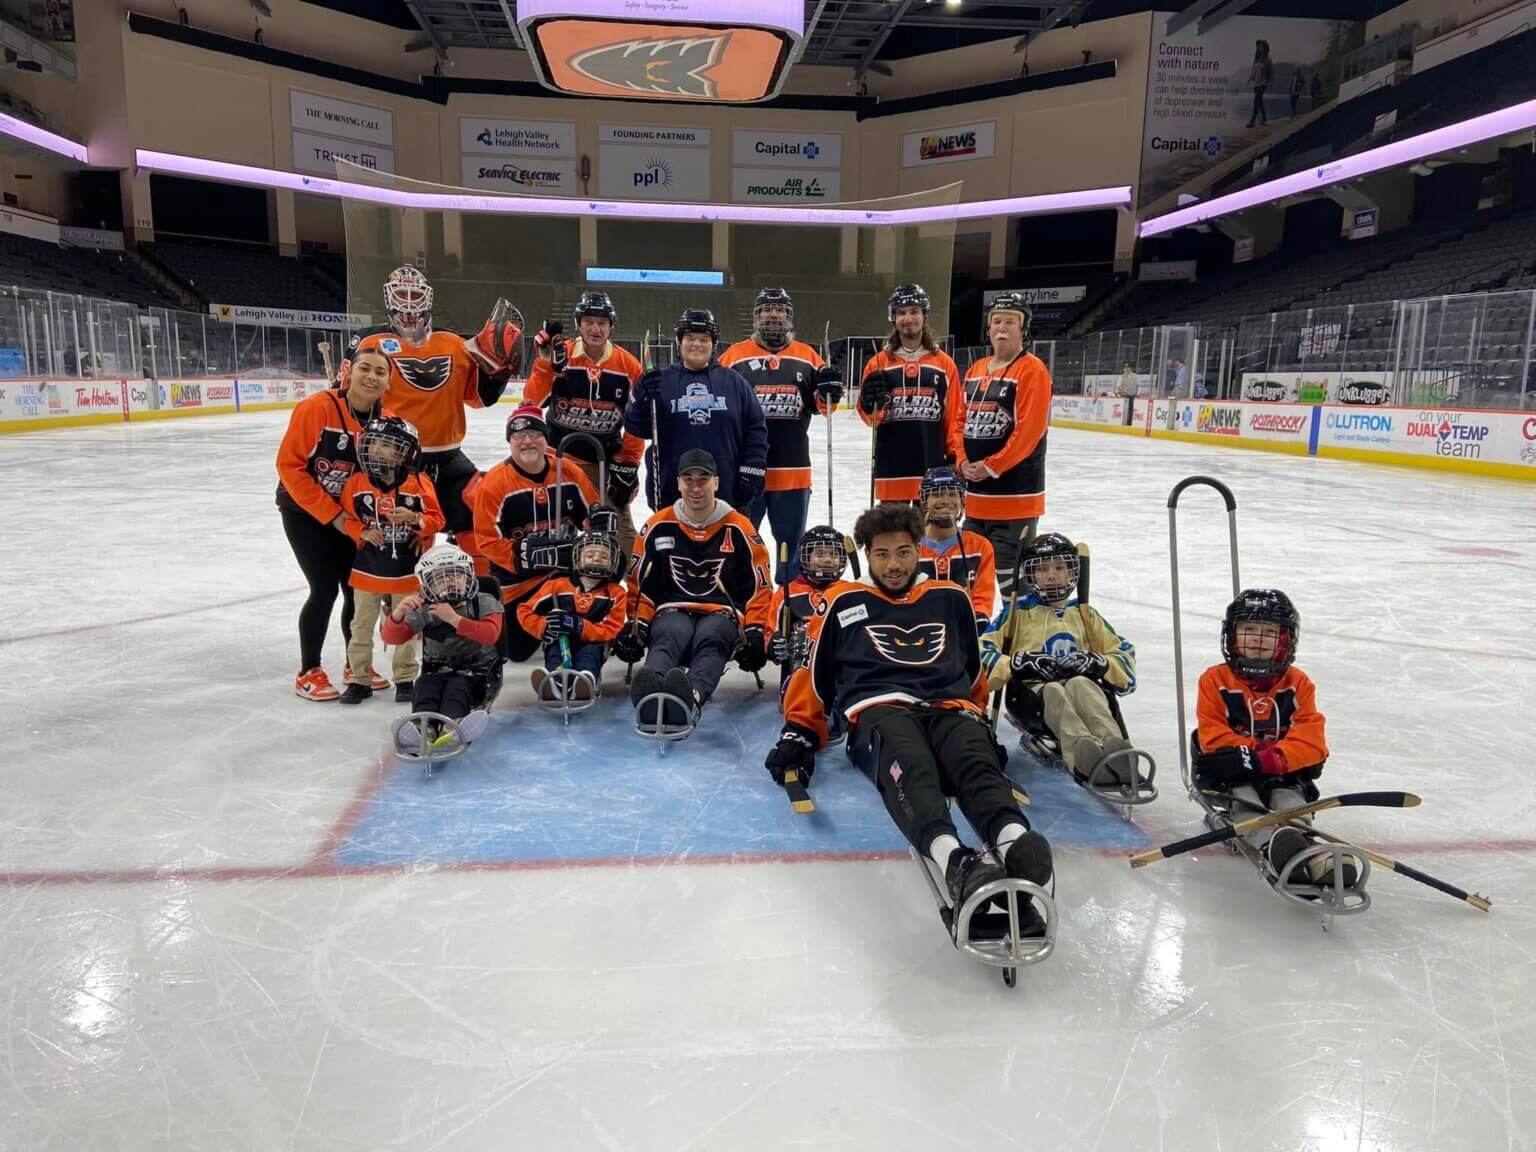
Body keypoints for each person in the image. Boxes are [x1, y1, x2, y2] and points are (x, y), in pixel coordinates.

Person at [768, 503, 1054, 926]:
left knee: (975, 763)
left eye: (903, 552)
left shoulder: (950, 598)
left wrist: (980, 722)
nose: (894, 564)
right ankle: (955, 861)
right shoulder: (841, 602)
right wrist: (800, 730)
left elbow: (972, 671)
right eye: (882, 554)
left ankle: (1015, 842)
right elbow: (813, 675)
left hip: (950, 707)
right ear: (866, 555)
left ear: (918, 548)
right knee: (912, 765)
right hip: (878, 712)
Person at [339, 266, 519, 546]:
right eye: (401, 293)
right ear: (388, 297)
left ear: (429, 297)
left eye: (416, 294)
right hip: (393, 461)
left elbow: (479, 398)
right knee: (404, 538)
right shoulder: (368, 342)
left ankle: (477, 575)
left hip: (448, 457)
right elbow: (343, 399)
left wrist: (498, 372)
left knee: (481, 516)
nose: (409, 302)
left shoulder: (454, 343)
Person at [1192, 589, 1351, 887]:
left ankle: (1304, 845)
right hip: (1234, 775)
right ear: (1232, 636)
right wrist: (1254, 755)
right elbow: (1212, 735)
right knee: (1246, 803)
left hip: (1282, 773)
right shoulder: (1214, 680)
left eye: (1270, 632)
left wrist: (1273, 759)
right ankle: (1272, 846)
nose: (1258, 639)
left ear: (1286, 640)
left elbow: (1312, 740)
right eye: (1249, 630)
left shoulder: (1298, 683)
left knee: (1288, 799)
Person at [612, 449, 772, 729]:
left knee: (711, 638)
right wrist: (638, 625)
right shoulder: (658, 525)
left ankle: (691, 697)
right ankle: (652, 695)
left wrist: (756, 631)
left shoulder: (740, 527)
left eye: (703, 480)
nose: (695, 487)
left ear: (716, 483)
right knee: (669, 635)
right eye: (688, 480)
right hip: (672, 610)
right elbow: (641, 583)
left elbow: (759, 586)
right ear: (678, 483)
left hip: (722, 614)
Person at [276, 345, 390, 700]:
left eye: (380, 372)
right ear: (348, 372)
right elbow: (289, 466)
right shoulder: (316, 409)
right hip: (305, 513)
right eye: (365, 368)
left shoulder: (387, 419)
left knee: (357, 590)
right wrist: (333, 515)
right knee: (324, 588)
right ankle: (309, 670)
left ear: (388, 382)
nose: (371, 376)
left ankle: (356, 664)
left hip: (352, 518)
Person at [980, 532, 1139, 785]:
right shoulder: (1017, 614)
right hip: (1031, 696)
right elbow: (981, 653)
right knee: (1054, 690)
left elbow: (1124, 654)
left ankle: (1114, 748)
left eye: (1059, 568)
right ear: (1031, 575)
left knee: (1082, 684)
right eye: (1042, 569)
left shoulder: (1085, 614)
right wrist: (1014, 663)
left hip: (1079, 685)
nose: (1051, 575)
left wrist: (1101, 663)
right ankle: (1082, 753)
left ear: (1072, 572)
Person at [718, 287, 843, 583]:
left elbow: (824, 407)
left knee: (792, 548)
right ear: (756, 316)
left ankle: (790, 603)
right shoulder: (733, 357)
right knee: (741, 543)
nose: (772, 315)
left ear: (788, 316)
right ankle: (746, 598)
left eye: (779, 310)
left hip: (793, 472)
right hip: (746, 472)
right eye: (766, 309)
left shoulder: (808, 356)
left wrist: (831, 390)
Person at [523, 291, 646, 561]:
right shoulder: (562, 354)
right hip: (555, 458)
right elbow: (532, 402)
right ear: (578, 324)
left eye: (602, 323)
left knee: (620, 530)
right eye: (589, 322)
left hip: (601, 462)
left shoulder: (628, 366)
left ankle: (629, 584)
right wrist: (545, 364)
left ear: (611, 326)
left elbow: (636, 422)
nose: (595, 329)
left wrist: (628, 463)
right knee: (550, 527)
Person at [472, 405, 600, 663]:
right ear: (509, 441)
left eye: (534, 434)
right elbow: (486, 541)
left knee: (590, 623)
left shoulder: (568, 472)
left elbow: (592, 519)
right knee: (515, 651)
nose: (527, 441)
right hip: (518, 583)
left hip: (564, 574)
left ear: (546, 439)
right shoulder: (493, 485)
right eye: (519, 436)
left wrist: (599, 523)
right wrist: (523, 559)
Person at [336, 416, 445, 704]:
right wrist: (361, 531)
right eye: (373, 443)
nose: (376, 450)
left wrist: (416, 520)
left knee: (406, 625)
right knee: (360, 626)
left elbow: (437, 519)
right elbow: (347, 519)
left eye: (386, 445)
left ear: (403, 453)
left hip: (406, 572)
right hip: (367, 570)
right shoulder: (356, 484)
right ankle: (359, 679)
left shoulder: (418, 483)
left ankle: (405, 678)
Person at [625, 308, 769, 514]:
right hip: (672, 493)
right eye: (690, 338)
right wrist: (640, 398)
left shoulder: (734, 381)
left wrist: (752, 468)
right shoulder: (661, 381)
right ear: (679, 342)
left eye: (704, 339)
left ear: (714, 344)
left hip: (728, 492)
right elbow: (636, 428)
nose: (697, 344)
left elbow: (755, 428)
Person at [957, 292, 1051, 599]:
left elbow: (1029, 433)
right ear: (988, 329)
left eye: (1010, 322)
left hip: (1015, 500)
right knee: (969, 580)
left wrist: (991, 466)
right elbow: (959, 421)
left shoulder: (1032, 370)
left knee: (1013, 584)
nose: (1002, 328)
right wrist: (961, 461)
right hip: (975, 500)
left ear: (1023, 329)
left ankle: (1020, 628)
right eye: (996, 321)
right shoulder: (976, 369)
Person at [382, 545, 503, 750]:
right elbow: (393, 637)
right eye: (440, 579)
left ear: (469, 577)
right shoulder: (425, 607)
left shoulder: (484, 601)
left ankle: (451, 726)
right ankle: (424, 728)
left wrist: (454, 619)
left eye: (457, 575)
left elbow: (490, 635)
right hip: (436, 669)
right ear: (428, 585)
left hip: (477, 672)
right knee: (423, 685)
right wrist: (398, 614)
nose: (450, 581)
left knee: (457, 687)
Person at [857, 284, 963, 503]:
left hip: (933, 473)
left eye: (914, 311)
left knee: (931, 527)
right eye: (901, 313)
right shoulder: (877, 363)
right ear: (893, 318)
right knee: (894, 527)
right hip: (891, 472)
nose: (908, 318)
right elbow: (871, 419)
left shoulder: (944, 364)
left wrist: (955, 457)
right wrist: (868, 405)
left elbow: (954, 418)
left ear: (924, 315)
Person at [516, 527, 628, 703]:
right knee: (555, 654)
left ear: (613, 563)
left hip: (593, 643)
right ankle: (554, 684)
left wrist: (578, 625)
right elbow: (524, 610)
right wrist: (544, 627)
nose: (596, 558)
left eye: (604, 556)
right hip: (559, 640)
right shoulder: (556, 585)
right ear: (577, 559)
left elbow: (613, 629)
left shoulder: (616, 593)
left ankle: (584, 682)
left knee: (589, 655)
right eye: (589, 555)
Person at [914, 466, 996, 632]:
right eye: (937, 495)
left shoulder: (980, 547)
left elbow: (982, 600)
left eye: (952, 494)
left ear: (962, 500)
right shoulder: (909, 547)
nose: (946, 501)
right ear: (924, 501)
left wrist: (976, 620)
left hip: (964, 631)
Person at [1248, 40, 1273, 128]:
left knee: (1256, 101)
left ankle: (1252, 121)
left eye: (1261, 46)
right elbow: (1253, 71)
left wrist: (1270, 85)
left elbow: (1270, 73)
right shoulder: (1256, 59)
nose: (1259, 48)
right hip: (1256, 84)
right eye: (1258, 46)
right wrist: (1249, 79)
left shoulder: (1268, 60)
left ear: (1265, 48)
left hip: (1263, 84)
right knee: (1260, 101)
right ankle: (1264, 118)